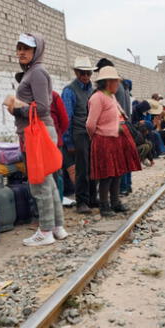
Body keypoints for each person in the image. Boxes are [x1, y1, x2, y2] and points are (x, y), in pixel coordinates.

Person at [5, 33, 67, 246]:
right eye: (19, 47)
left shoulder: (37, 72)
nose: (21, 52)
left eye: (27, 48)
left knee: (39, 183)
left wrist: (15, 108)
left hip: (37, 132)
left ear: (37, 50)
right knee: (48, 182)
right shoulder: (33, 72)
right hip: (39, 131)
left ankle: (45, 231)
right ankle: (57, 227)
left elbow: (41, 107)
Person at [86, 66, 141, 216]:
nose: (118, 84)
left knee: (117, 172)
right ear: (107, 82)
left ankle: (115, 202)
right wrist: (97, 136)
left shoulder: (111, 96)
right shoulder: (97, 98)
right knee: (106, 174)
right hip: (103, 140)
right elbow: (90, 124)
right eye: (115, 82)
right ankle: (104, 206)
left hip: (115, 140)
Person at [62, 56, 98, 214]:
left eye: (88, 73)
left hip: (93, 134)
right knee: (82, 169)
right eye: (82, 73)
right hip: (78, 134)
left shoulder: (92, 90)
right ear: (76, 72)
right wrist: (68, 142)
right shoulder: (69, 91)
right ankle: (81, 201)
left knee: (93, 166)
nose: (85, 76)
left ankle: (92, 197)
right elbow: (66, 118)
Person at [50, 90, 70, 203]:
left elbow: (65, 120)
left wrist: (57, 134)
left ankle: (58, 201)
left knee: (56, 174)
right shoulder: (26, 97)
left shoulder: (53, 96)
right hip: (36, 144)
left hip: (54, 142)